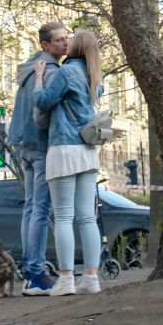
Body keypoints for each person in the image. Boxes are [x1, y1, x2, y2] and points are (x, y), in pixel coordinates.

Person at [32, 26, 105, 296]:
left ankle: (65, 279)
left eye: (70, 40)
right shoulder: (94, 75)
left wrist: (39, 76)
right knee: (87, 217)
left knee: (63, 216)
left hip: (64, 148)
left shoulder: (67, 72)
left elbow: (42, 101)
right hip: (88, 150)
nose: (66, 42)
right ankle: (91, 277)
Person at [8, 20, 68, 294]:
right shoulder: (51, 71)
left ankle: (30, 269)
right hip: (41, 143)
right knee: (41, 210)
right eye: (59, 40)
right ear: (45, 45)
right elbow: (40, 110)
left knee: (31, 208)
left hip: (23, 142)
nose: (65, 43)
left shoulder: (30, 67)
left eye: (66, 38)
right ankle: (36, 273)